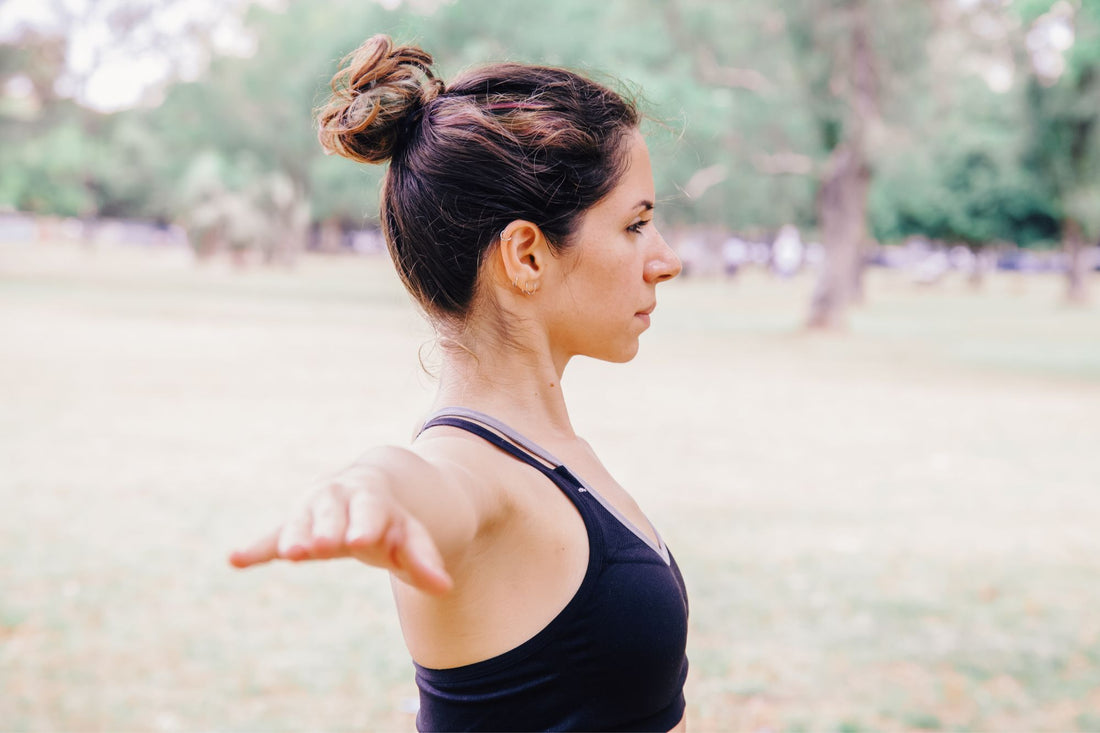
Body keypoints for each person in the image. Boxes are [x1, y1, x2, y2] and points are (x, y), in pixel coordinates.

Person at [229, 34, 688, 732]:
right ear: (527, 254)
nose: (667, 259)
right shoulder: (474, 467)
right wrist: (370, 487)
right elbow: (428, 486)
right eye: (636, 224)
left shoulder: (547, 446)